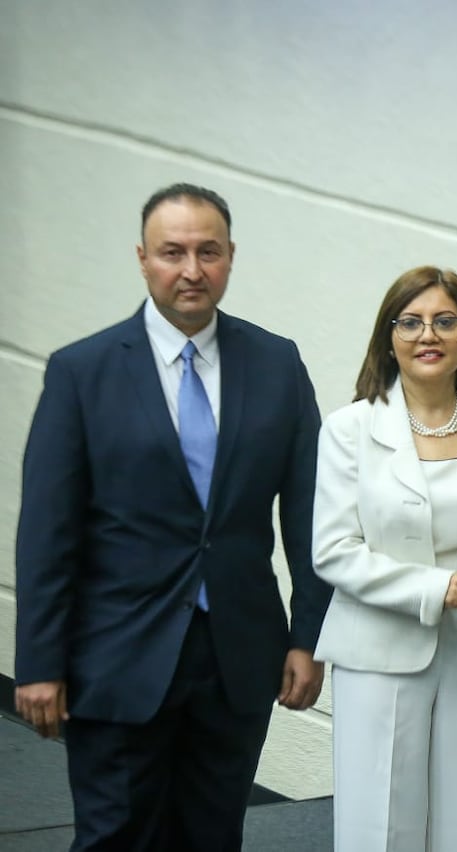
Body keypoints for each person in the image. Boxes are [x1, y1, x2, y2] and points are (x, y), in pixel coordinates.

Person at [14, 183, 331, 850]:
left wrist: (309, 636)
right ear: (142, 258)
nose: (192, 270)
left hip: (239, 656)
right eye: (173, 252)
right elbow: (48, 533)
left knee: (213, 837)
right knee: (115, 837)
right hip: (117, 656)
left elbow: (307, 514)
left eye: (208, 251)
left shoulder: (276, 364)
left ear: (231, 256)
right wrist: (38, 661)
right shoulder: (83, 372)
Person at [311, 266, 457, 851]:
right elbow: (333, 552)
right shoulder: (349, 430)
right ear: (389, 338)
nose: (427, 334)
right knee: (379, 826)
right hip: (378, 649)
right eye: (410, 322)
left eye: (445, 321)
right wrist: (438, 588)